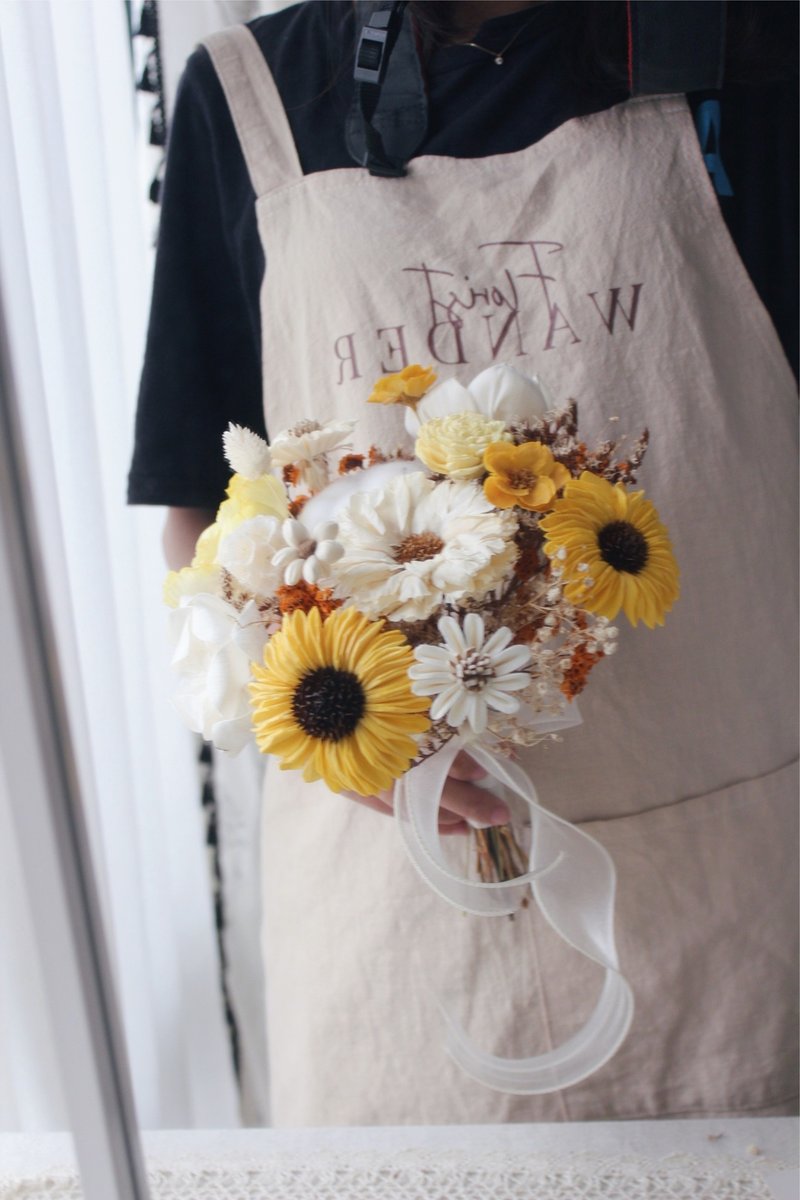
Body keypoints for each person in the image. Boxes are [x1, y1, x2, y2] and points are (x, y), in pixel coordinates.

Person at [128, 0, 798, 1126]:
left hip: (734, 880)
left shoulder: (741, 44)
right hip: (398, 917)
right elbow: (197, 515)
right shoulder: (249, 93)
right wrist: (337, 721)